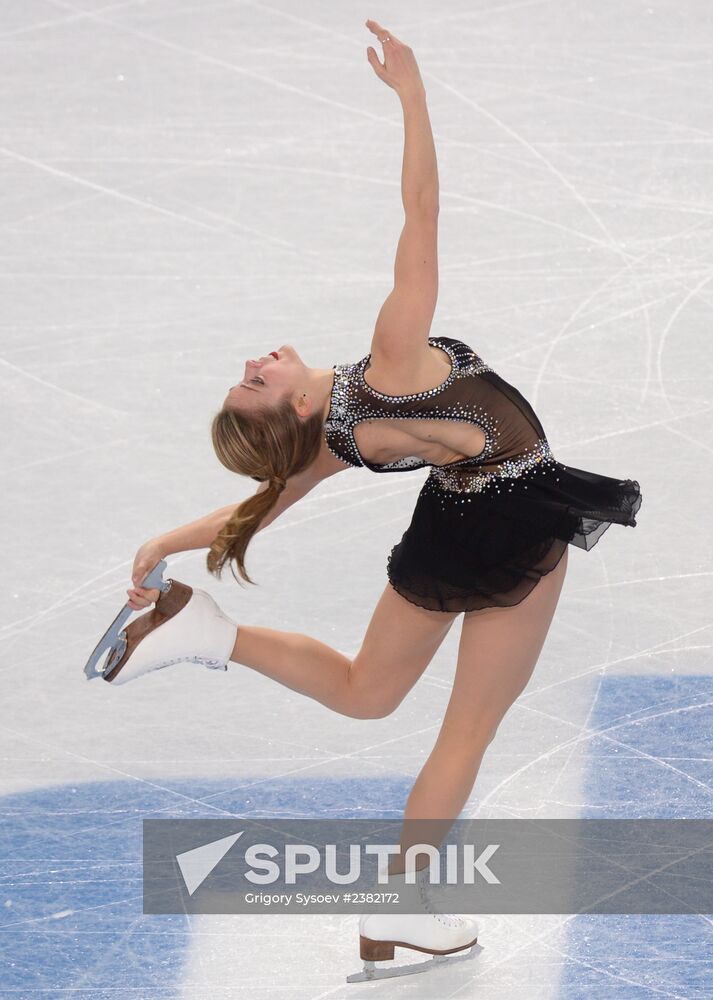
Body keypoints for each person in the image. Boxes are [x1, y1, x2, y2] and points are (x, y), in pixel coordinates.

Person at [95, 20, 642, 980]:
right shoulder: (388, 364)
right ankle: (399, 908)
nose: (256, 360)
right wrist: (412, 95)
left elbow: (259, 508)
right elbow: (420, 212)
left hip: (447, 526)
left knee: (366, 692)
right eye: (256, 381)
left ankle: (205, 632)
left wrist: (164, 546)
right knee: (468, 727)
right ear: (296, 405)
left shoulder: (336, 431)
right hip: (515, 517)